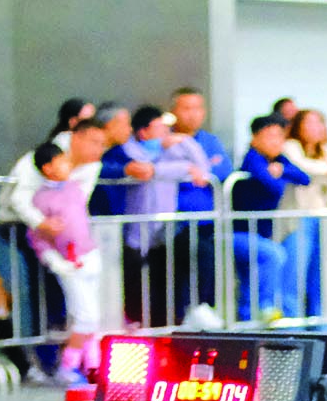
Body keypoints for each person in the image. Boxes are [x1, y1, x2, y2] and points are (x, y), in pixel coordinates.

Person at [116, 104, 210, 328]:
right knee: (136, 282)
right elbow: (147, 170)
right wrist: (182, 167)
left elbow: (202, 170)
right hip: (137, 232)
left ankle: (169, 323)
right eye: (159, 128)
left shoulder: (170, 150)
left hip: (163, 230)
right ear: (143, 132)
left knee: (165, 279)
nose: (166, 133)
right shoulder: (129, 150)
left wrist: (185, 141)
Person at [27, 129, 107, 384]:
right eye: (61, 162)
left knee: (93, 316)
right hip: (68, 263)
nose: (67, 166)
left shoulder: (74, 188)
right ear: (48, 168)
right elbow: (37, 237)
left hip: (88, 256)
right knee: (85, 317)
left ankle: (92, 365)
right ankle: (68, 365)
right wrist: (55, 261)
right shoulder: (41, 199)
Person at [228, 114, 304, 322]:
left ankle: (248, 320)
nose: (276, 142)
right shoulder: (252, 158)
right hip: (237, 233)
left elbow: (304, 177)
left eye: (279, 136)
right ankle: (265, 307)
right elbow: (273, 186)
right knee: (274, 255)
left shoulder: (278, 160)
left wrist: (283, 169)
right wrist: (279, 176)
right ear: (255, 138)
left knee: (250, 277)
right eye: (270, 136)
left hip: (259, 233)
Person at [283, 108, 327, 319]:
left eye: (320, 123)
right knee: (295, 275)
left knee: (322, 278)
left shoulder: (326, 151)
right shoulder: (290, 146)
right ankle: (294, 326)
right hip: (300, 219)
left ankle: (323, 327)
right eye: (310, 123)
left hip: (325, 219)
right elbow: (300, 167)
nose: (316, 128)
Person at [169, 88, 233, 318]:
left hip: (208, 221)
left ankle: (202, 311)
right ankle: (189, 313)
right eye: (186, 108)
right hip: (176, 223)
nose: (192, 114)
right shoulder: (166, 141)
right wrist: (188, 171)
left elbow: (223, 170)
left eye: (197, 108)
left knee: (209, 263)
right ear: (173, 111)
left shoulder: (210, 141)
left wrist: (203, 172)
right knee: (186, 269)